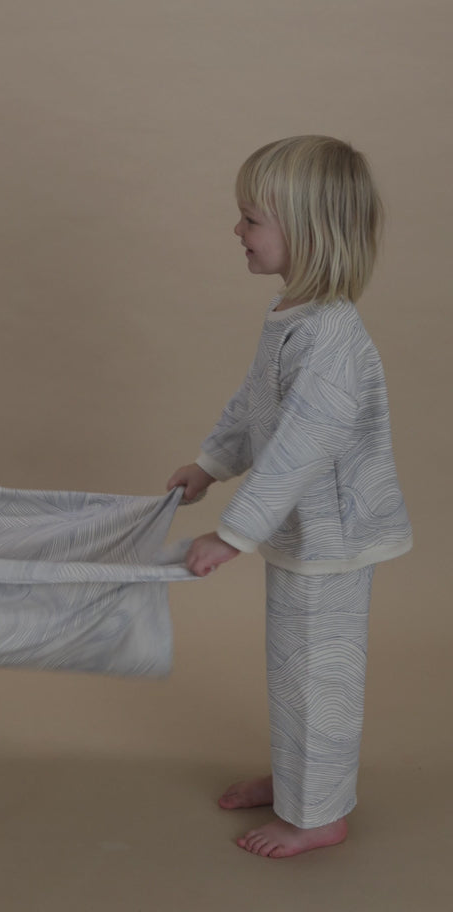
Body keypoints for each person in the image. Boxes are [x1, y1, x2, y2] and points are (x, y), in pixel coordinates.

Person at [167, 135, 412, 859]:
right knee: (290, 667)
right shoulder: (291, 316)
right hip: (301, 534)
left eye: (250, 219)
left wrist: (233, 533)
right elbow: (255, 408)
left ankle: (320, 815)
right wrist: (211, 463)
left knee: (318, 673)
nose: (236, 232)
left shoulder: (333, 338)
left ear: (306, 231)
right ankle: (297, 779)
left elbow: (301, 447)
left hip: (333, 538)